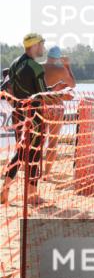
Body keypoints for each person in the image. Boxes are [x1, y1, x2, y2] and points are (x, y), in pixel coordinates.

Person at [1, 33, 71, 206]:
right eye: (42, 44)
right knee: (33, 154)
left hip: (18, 115)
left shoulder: (15, 63)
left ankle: (5, 189)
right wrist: (62, 95)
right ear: (35, 45)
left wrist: (53, 88)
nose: (43, 48)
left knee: (21, 152)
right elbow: (43, 97)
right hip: (34, 117)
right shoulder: (36, 67)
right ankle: (32, 195)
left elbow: (32, 90)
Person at [41, 46, 76, 175]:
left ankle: (36, 172)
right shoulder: (60, 70)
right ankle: (47, 174)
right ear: (58, 58)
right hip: (56, 107)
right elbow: (73, 84)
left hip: (41, 105)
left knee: (38, 141)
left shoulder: (38, 67)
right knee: (52, 142)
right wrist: (67, 66)